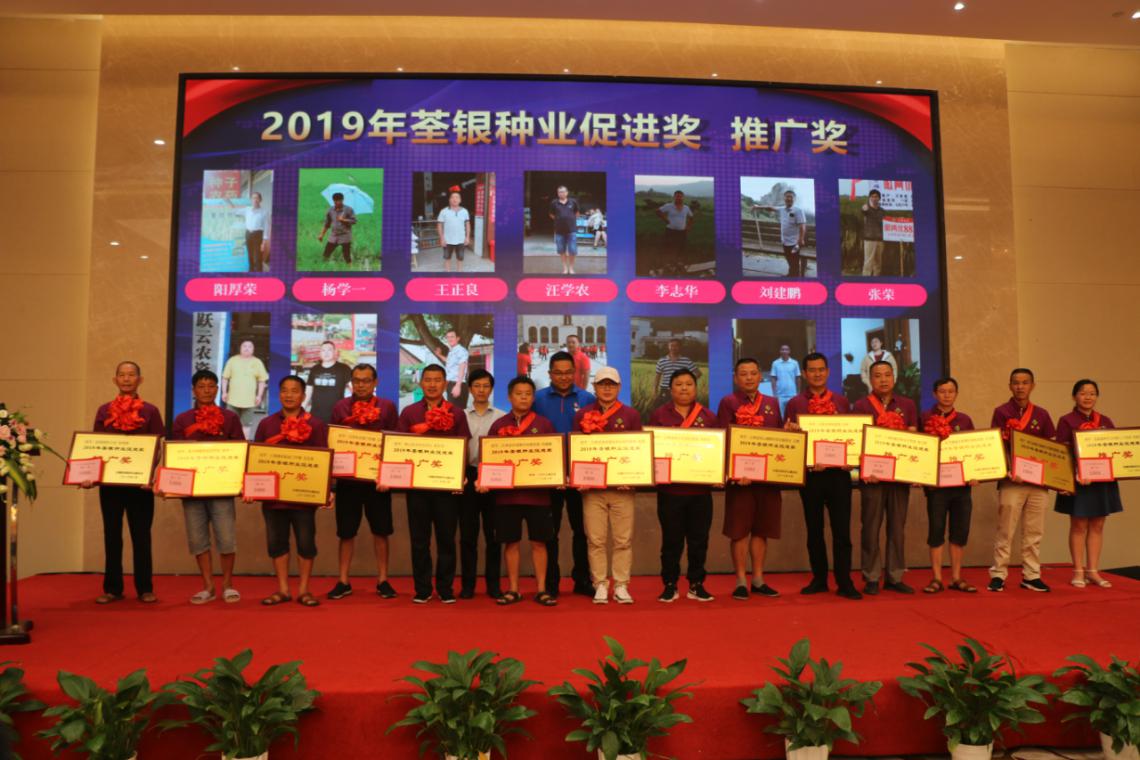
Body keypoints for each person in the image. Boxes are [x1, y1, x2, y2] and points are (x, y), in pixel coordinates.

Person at [783, 353, 861, 600]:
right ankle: (819, 579)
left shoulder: (841, 401)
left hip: (839, 476)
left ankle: (844, 581)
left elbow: (851, 436)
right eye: (812, 370)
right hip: (811, 477)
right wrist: (791, 434)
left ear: (827, 372)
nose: (817, 374)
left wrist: (851, 458)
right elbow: (790, 442)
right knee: (814, 530)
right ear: (804, 374)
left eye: (821, 370)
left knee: (842, 531)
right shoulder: (795, 403)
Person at [87, 361, 164, 604]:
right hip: (110, 485)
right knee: (112, 535)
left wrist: (149, 475)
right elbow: (95, 446)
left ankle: (145, 588)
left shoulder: (150, 411)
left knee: (141, 536)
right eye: (122, 375)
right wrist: (89, 475)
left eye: (131, 375)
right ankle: (113, 588)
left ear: (140, 380)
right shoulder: (104, 410)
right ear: (115, 380)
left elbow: (157, 447)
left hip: (140, 485)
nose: (127, 379)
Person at [251, 375, 331, 608]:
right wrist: (252, 487)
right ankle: (283, 589)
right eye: (284, 390)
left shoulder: (316, 425)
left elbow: (323, 461)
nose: (289, 395)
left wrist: (326, 490)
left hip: (304, 499)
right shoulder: (266, 424)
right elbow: (256, 460)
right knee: (276, 543)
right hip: (273, 499)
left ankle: (304, 590)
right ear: (279, 395)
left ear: (303, 396)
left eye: (295, 391)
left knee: (306, 544)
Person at [396, 364, 472, 603]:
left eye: (437, 380)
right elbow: (398, 446)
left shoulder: (457, 413)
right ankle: (422, 589)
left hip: (446, 489)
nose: (432, 384)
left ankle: (445, 588)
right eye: (427, 379)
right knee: (419, 540)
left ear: (445, 383)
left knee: (446, 540)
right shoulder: (409, 412)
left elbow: (464, 447)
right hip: (417, 488)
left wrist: (460, 474)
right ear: (421, 383)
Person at [169, 369, 245, 604]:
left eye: (211, 386)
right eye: (201, 386)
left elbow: (240, 451)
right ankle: (208, 586)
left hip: (222, 489)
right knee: (197, 539)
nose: (206, 390)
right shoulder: (182, 420)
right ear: (193, 390)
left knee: (227, 538)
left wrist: (241, 481)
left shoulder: (230, 418)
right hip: (192, 491)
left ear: (217, 389)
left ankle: (228, 585)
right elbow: (174, 456)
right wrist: (169, 483)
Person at [325, 363, 399, 601]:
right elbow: (333, 444)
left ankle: (383, 580)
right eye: (357, 380)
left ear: (375, 382)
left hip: (378, 483)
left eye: (366, 380)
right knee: (346, 533)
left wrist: (388, 475)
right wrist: (332, 482)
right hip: (348, 482)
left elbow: (394, 443)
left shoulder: (387, 407)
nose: (361, 385)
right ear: (351, 383)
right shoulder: (340, 407)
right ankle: (343, 581)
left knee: (381, 532)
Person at [485, 376, 559, 606]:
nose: (523, 398)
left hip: (538, 496)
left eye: (528, 394)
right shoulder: (498, 425)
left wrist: (558, 475)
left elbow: (554, 457)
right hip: (507, 497)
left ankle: (542, 589)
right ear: (510, 397)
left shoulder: (544, 424)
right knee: (511, 543)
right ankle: (513, 589)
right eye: (519, 393)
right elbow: (490, 458)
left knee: (539, 543)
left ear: (533, 397)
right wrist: (485, 479)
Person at [648, 369, 717, 603]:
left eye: (689, 384)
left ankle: (696, 584)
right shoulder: (659, 415)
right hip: (670, 491)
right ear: (671, 389)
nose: (684, 388)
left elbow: (717, 451)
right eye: (679, 384)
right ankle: (670, 584)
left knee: (699, 540)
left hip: (700, 492)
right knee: (671, 540)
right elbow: (651, 450)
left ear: (696, 388)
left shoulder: (708, 416)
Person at [574, 367, 642, 604]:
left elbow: (638, 451)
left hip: (623, 490)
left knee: (623, 540)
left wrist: (632, 478)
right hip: (593, 491)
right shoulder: (582, 414)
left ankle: (621, 585)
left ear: (619, 387)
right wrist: (580, 477)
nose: (606, 388)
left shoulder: (631, 415)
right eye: (602, 384)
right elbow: (577, 450)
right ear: (594, 387)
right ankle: (600, 584)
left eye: (611, 384)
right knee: (596, 540)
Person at [717, 358, 783, 600]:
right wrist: (733, 472)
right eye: (743, 373)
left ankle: (758, 579)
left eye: (753, 373)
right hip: (740, 480)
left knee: (761, 530)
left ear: (760, 376)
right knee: (739, 531)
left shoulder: (772, 403)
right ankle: (740, 581)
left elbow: (779, 438)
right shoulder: (728, 402)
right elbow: (724, 439)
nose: (749, 377)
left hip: (767, 480)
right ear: (736, 378)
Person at [852, 360, 919, 595]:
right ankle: (871, 576)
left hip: (899, 478)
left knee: (897, 528)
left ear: (894, 377)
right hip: (873, 478)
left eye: (887, 375)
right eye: (878, 375)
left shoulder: (907, 405)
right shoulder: (861, 405)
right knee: (870, 528)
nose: (883, 380)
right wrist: (864, 470)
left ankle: (895, 575)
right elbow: (857, 442)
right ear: (870, 379)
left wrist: (914, 470)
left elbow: (913, 439)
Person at [533, 351, 595, 597]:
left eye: (568, 372)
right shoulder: (537, 399)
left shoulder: (588, 398)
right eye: (558, 373)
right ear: (549, 374)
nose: (563, 377)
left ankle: (583, 579)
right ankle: (552, 582)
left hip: (581, 475)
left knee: (582, 530)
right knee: (550, 531)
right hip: (549, 475)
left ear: (575, 373)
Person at [989, 367, 1056, 593]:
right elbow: (996, 446)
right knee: (1005, 530)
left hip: (1038, 484)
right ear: (1010, 386)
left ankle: (1031, 575)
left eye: (1025, 382)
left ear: (1032, 386)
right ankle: (998, 574)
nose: (1020, 387)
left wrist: (1053, 477)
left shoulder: (1042, 415)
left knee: (1034, 532)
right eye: (1016, 382)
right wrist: (1007, 469)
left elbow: (1052, 449)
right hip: (1012, 481)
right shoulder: (1001, 412)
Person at [1054, 379, 1122, 590]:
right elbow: (1061, 454)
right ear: (1074, 396)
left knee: (1098, 525)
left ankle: (1093, 570)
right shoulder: (1066, 420)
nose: (1088, 397)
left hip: (1101, 482)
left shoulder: (1106, 421)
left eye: (1092, 393)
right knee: (1079, 525)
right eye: (1083, 393)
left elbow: (1115, 451)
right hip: (1078, 481)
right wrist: (1072, 476)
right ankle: (1078, 571)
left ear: (1097, 397)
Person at [920, 377, 977, 594]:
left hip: (962, 487)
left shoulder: (965, 420)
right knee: (936, 531)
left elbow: (973, 451)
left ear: (956, 394)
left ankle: (956, 577)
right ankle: (936, 578)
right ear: (934, 394)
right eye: (942, 391)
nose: (946, 395)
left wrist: (975, 474)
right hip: (936, 488)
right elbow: (920, 450)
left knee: (959, 532)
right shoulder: (925, 418)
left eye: (951, 391)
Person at [460, 369, 503, 599]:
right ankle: (468, 585)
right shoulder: (460, 416)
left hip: (494, 477)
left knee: (493, 535)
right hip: (467, 475)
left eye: (486, 386)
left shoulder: (501, 417)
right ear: (470, 389)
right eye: (477, 386)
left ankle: (493, 585)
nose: (481, 390)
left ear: (491, 389)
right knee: (468, 535)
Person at [753, 189, 807, 277]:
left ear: (794, 199)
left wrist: (801, 240)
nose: (789, 198)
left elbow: (802, 226)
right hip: (785, 242)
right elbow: (770, 208)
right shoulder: (782, 209)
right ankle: (792, 274)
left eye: (791, 197)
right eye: (787, 197)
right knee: (789, 260)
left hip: (794, 243)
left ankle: (794, 276)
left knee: (794, 261)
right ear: (784, 198)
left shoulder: (798, 210)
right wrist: (758, 207)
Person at [221, 339, 268, 439]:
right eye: (244, 346)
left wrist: (259, 396)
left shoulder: (257, 362)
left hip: (249, 401)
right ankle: (229, 443)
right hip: (232, 400)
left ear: (253, 349)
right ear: (240, 348)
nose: (247, 348)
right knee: (229, 424)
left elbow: (262, 381)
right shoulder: (232, 360)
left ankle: (244, 444)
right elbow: (225, 378)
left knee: (246, 425)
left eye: (250, 346)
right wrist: (224, 392)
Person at [303, 340, 352, 422]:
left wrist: (354, 408)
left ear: (335, 352)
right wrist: (302, 409)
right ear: (320, 353)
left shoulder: (344, 368)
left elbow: (353, 389)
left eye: (329, 350)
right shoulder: (315, 369)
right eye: (323, 350)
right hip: (316, 414)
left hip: (336, 415)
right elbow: (308, 392)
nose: (326, 353)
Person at [227, 191, 268, 272]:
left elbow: (266, 227)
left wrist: (264, 242)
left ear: (260, 200)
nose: (255, 200)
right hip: (248, 234)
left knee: (258, 257)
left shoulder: (264, 212)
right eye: (253, 198)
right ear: (251, 200)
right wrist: (229, 202)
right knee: (250, 255)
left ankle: (259, 273)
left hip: (258, 235)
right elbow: (235, 211)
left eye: (257, 198)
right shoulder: (247, 209)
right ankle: (251, 271)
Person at [653, 338, 700, 406]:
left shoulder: (686, 361)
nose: (674, 348)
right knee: (664, 410)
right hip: (665, 390)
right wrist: (655, 391)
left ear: (680, 347)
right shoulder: (662, 361)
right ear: (668, 347)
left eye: (676, 346)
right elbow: (657, 378)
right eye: (671, 345)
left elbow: (698, 373)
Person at [436, 186, 471, 273]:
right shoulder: (443, 211)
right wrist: (442, 238)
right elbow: (439, 225)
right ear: (449, 200)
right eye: (452, 197)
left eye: (457, 197)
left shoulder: (465, 211)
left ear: (460, 200)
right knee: (447, 258)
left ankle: (459, 273)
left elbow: (467, 224)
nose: (455, 199)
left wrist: (467, 237)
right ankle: (448, 273)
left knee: (460, 258)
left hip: (461, 239)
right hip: (447, 240)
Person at [434, 329, 470, 410]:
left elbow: (462, 367)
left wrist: (458, 385)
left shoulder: (461, 350)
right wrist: (439, 355)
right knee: (453, 411)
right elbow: (448, 361)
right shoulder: (452, 351)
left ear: (458, 338)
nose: (450, 339)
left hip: (457, 383)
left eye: (452, 337)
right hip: (452, 384)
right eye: (448, 337)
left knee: (457, 412)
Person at [317, 191, 356, 264]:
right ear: (333, 201)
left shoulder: (348, 209)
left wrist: (343, 220)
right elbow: (327, 224)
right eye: (335, 201)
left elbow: (354, 221)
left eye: (339, 201)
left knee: (346, 255)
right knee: (326, 253)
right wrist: (321, 235)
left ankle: (349, 267)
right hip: (334, 235)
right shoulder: (330, 210)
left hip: (345, 235)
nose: (337, 202)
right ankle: (323, 266)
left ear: (342, 200)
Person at [549, 185, 580, 275]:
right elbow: (551, 214)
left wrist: (570, 220)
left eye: (563, 192)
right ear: (557, 193)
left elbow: (577, 213)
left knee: (572, 250)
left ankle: (571, 268)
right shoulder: (554, 203)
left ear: (567, 192)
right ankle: (565, 268)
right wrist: (559, 220)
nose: (561, 193)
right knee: (561, 250)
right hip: (559, 231)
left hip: (571, 230)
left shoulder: (573, 202)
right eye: (559, 192)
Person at [656, 190, 694, 257]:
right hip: (670, 231)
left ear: (683, 197)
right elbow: (658, 211)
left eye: (680, 196)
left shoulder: (686, 208)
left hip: (682, 232)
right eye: (677, 196)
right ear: (674, 197)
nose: (679, 198)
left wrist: (688, 227)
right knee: (668, 248)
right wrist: (665, 219)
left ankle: (679, 261)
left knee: (681, 248)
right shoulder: (669, 206)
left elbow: (691, 217)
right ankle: (668, 262)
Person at [769, 344, 802, 417]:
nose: (784, 351)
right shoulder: (775, 363)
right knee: (781, 416)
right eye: (782, 349)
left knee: (792, 415)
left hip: (792, 394)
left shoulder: (795, 363)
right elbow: (773, 378)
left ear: (789, 351)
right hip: (780, 395)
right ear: (780, 351)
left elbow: (798, 378)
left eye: (786, 349)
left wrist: (798, 392)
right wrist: (774, 394)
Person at [860, 188, 886, 276]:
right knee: (868, 263)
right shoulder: (866, 208)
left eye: (876, 196)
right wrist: (864, 208)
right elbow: (863, 210)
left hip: (880, 239)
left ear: (879, 198)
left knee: (878, 263)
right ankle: (865, 281)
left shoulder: (882, 211)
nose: (874, 198)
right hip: (869, 239)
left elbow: (885, 224)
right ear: (870, 198)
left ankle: (876, 280)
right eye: (872, 196)